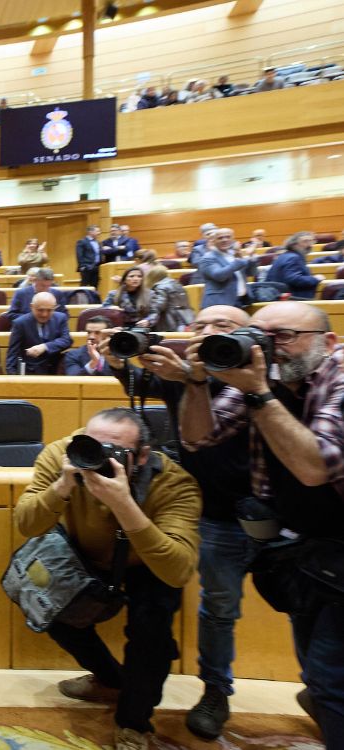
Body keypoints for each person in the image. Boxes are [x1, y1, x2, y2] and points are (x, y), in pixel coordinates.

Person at [181, 300, 344, 745]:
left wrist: (257, 391)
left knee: (331, 676)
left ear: (327, 342)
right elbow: (198, 437)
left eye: (283, 336)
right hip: (308, 543)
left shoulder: (338, 374)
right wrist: (197, 381)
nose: (270, 348)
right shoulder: (264, 375)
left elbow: (315, 467)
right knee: (317, 666)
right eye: (258, 337)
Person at [95, 305, 254, 741]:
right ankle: (216, 691)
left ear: (250, 336)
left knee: (306, 606)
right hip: (216, 513)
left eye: (222, 326)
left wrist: (189, 376)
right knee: (219, 610)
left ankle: (320, 687)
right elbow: (140, 383)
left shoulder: (266, 380)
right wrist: (116, 359)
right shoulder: (186, 374)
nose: (207, 333)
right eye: (200, 325)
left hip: (282, 511)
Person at [15, 408, 201, 750]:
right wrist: (62, 486)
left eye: (112, 452)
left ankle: (133, 721)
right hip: (86, 553)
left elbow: (179, 570)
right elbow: (27, 524)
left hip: (149, 560)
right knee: (56, 616)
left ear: (143, 455)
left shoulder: (174, 483)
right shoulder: (63, 455)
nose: (96, 459)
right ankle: (112, 681)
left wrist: (124, 503)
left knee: (151, 637)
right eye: (91, 446)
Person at [6, 291, 70, 374]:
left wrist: (45, 347)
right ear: (31, 307)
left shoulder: (61, 318)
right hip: (31, 373)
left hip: (56, 370)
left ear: (55, 307)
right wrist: (13, 379)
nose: (44, 314)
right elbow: (12, 354)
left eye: (49, 310)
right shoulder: (20, 323)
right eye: (40, 310)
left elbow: (66, 340)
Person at [197, 227, 257, 309]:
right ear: (214, 241)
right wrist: (239, 261)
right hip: (219, 303)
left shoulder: (235, 253)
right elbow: (219, 276)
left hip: (242, 301)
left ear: (233, 239)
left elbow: (251, 273)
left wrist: (251, 256)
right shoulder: (207, 258)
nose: (224, 240)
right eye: (220, 238)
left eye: (228, 237)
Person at [265, 231, 322, 300]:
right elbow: (294, 279)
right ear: (293, 244)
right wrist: (315, 279)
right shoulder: (293, 258)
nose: (310, 245)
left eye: (311, 241)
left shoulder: (284, 256)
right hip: (294, 300)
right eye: (305, 241)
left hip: (282, 298)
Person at [138, 265, 194, 331]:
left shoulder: (160, 287)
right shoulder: (177, 284)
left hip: (171, 324)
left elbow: (157, 307)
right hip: (186, 320)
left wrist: (148, 320)